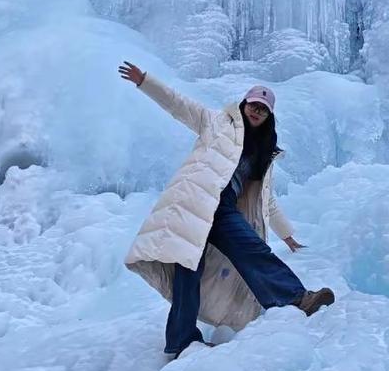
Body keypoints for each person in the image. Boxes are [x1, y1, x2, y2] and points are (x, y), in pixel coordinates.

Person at [119, 61, 335, 356]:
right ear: (244, 104)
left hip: (223, 210)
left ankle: (298, 299)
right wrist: (145, 81)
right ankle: (182, 341)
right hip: (193, 204)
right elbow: (178, 104)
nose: (256, 111)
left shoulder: (262, 153)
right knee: (187, 271)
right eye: (253, 105)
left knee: (253, 250)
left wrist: (287, 234)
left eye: (263, 109)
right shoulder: (216, 122)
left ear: (269, 116)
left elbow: (266, 199)